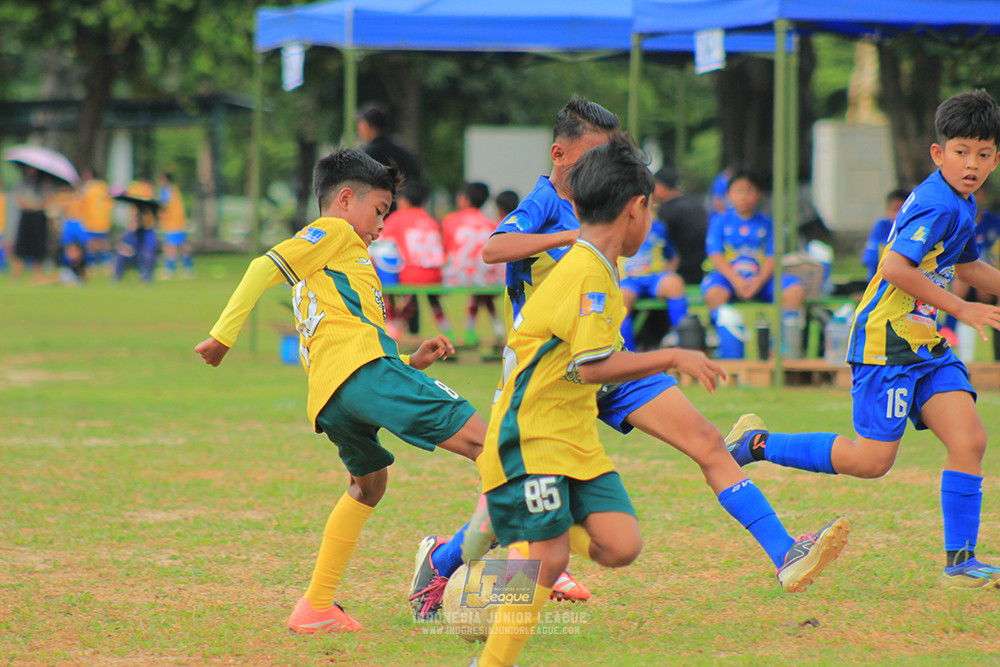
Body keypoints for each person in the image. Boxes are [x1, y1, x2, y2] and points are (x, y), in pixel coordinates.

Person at [408, 95, 849, 623]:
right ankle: (447, 564)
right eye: (595, 154)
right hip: (550, 382)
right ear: (561, 154)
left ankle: (785, 554)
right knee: (524, 517)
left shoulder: (611, 211)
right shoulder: (547, 202)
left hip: (607, 360)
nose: (605, 166)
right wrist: (580, 238)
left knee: (706, 440)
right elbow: (493, 249)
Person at [195, 148, 488, 633]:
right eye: (378, 211)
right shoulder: (332, 231)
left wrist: (411, 362)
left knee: (368, 486)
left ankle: (316, 606)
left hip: (335, 397)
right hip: (364, 376)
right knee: (498, 448)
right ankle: (533, 567)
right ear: (346, 199)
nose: (380, 226)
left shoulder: (342, 257)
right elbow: (260, 267)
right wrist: (224, 334)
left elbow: (347, 328)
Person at [725, 89, 1000, 589]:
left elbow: (966, 264)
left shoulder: (963, 203)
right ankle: (754, 444)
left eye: (983, 154)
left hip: (924, 344)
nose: (972, 164)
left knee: (970, 439)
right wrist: (959, 306)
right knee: (871, 461)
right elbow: (894, 268)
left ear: (996, 158)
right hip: (885, 343)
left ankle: (961, 564)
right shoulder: (938, 204)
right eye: (961, 151)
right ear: (939, 154)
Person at [701, 169, 806, 332]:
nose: (743, 196)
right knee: (714, 293)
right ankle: (721, 337)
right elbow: (715, 254)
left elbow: (773, 256)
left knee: (794, 290)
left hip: (762, 280)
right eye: (738, 191)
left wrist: (758, 281)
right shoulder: (719, 221)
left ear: (760, 194)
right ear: (728, 195)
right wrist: (736, 280)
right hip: (728, 278)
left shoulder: (768, 224)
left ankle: (780, 340)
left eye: (749, 191)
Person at [619, 165, 688, 350]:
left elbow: (672, 255)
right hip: (629, 279)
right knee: (621, 299)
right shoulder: (618, 226)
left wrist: (668, 271)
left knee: (675, 284)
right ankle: (628, 353)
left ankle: (681, 340)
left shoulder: (658, 227)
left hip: (655, 276)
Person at [380, 182, 453, 339]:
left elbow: (380, 241)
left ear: (404, 201)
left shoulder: (399, 218)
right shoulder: (431, 220)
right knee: (431, 298)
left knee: (393, 290)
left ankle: (393, 329)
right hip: (435, 274)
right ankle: (448, 332)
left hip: (411, 273)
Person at [441, 181, 505, 348]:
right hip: (483, 278)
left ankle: (449, 331)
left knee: (473, 280)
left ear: (465, 199)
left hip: (456, 277)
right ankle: (482, 328)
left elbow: (446, 249)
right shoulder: (492, 223)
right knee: (480, 281)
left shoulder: (449, 220)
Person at [655, 165, 708, 286]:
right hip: (700, 272)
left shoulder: (667, 210)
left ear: (662, 188)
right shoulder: (696, 204)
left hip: (679, 275)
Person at [356, 101, 422, 188]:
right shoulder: (405, 153)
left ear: (370, 126)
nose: (359, 128)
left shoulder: (369, 156)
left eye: (361, 123)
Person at [112, 180, 159, 283]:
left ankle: (146, 277)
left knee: (147, 255)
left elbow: (150, 246)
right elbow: (125, 242)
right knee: (121, 253)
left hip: (142, 252)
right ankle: (117, 278)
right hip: (132, 252)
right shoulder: (131, 230)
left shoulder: (148, 230)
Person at [12, 166, 53, 281]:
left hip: (38, 216)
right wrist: (25, 203)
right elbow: (18, 196)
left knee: (38, 244)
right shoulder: (23, 180)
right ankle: (16, 273)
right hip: (26, 215)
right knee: (21, 244)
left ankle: (36, 273)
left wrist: (36, 205)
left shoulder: (45, 182)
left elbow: (47, 200)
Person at [861, 188, 910, 281]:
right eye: (895, 209)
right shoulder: (882, 226)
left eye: (903, 209)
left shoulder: (918, 229)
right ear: (887, 210)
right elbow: (872, 257)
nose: (898, 215)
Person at [157, 172, 193, 279]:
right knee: (182, 245)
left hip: (173, 223)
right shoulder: (174, 190)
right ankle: (188, 268)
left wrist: (160, 220)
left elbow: (164, 206)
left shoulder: (166, 190)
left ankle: (170, 269)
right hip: (178, 222)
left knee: (171, 247)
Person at [80, 168, 114, 269]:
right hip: (104, 220)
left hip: (91, 220)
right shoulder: (104, 187)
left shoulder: (87, 188)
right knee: (103, 243)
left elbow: (82, 203)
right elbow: (110, 203)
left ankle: (92, 262)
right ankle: (106, 262)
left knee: (92, 244)